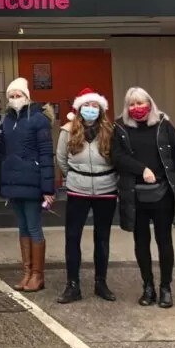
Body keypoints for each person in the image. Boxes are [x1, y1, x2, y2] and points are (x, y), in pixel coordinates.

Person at [111, 87, 175, 309]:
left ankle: (166, 287)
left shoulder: (164, 126)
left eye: (140, 103)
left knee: (164, 240)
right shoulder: (119, 127)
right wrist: (142, 169)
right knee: (141, 242)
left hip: (162, 194)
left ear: (150, 103)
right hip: (134, 194)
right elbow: (117, 157)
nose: (136, 108)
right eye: (132, 104)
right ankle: (148, 286)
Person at [55, 88, 117, 304]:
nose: (91, 109)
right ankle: (73, 285)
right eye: (87, 106)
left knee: (102, 238)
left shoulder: (111, 130)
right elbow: (61, 159)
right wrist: (75, 176)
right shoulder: (67, 130)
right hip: (77, 189)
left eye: (95, 106)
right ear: (79, 108)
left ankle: (101, 282)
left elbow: (117, 158)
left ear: (101, 109)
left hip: (106, 189)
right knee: (72, 237)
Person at [0, 76, 55, 293]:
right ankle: (27, 273)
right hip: (14, 183)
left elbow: (46, 154)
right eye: (11, 96)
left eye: (18, 95)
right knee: (22, 228)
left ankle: (38, 275)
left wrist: (48, 188)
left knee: (33, 228)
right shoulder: (7, 120)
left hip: (32, 182)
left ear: (27, 96)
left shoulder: (38, 119)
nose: (14, 99)